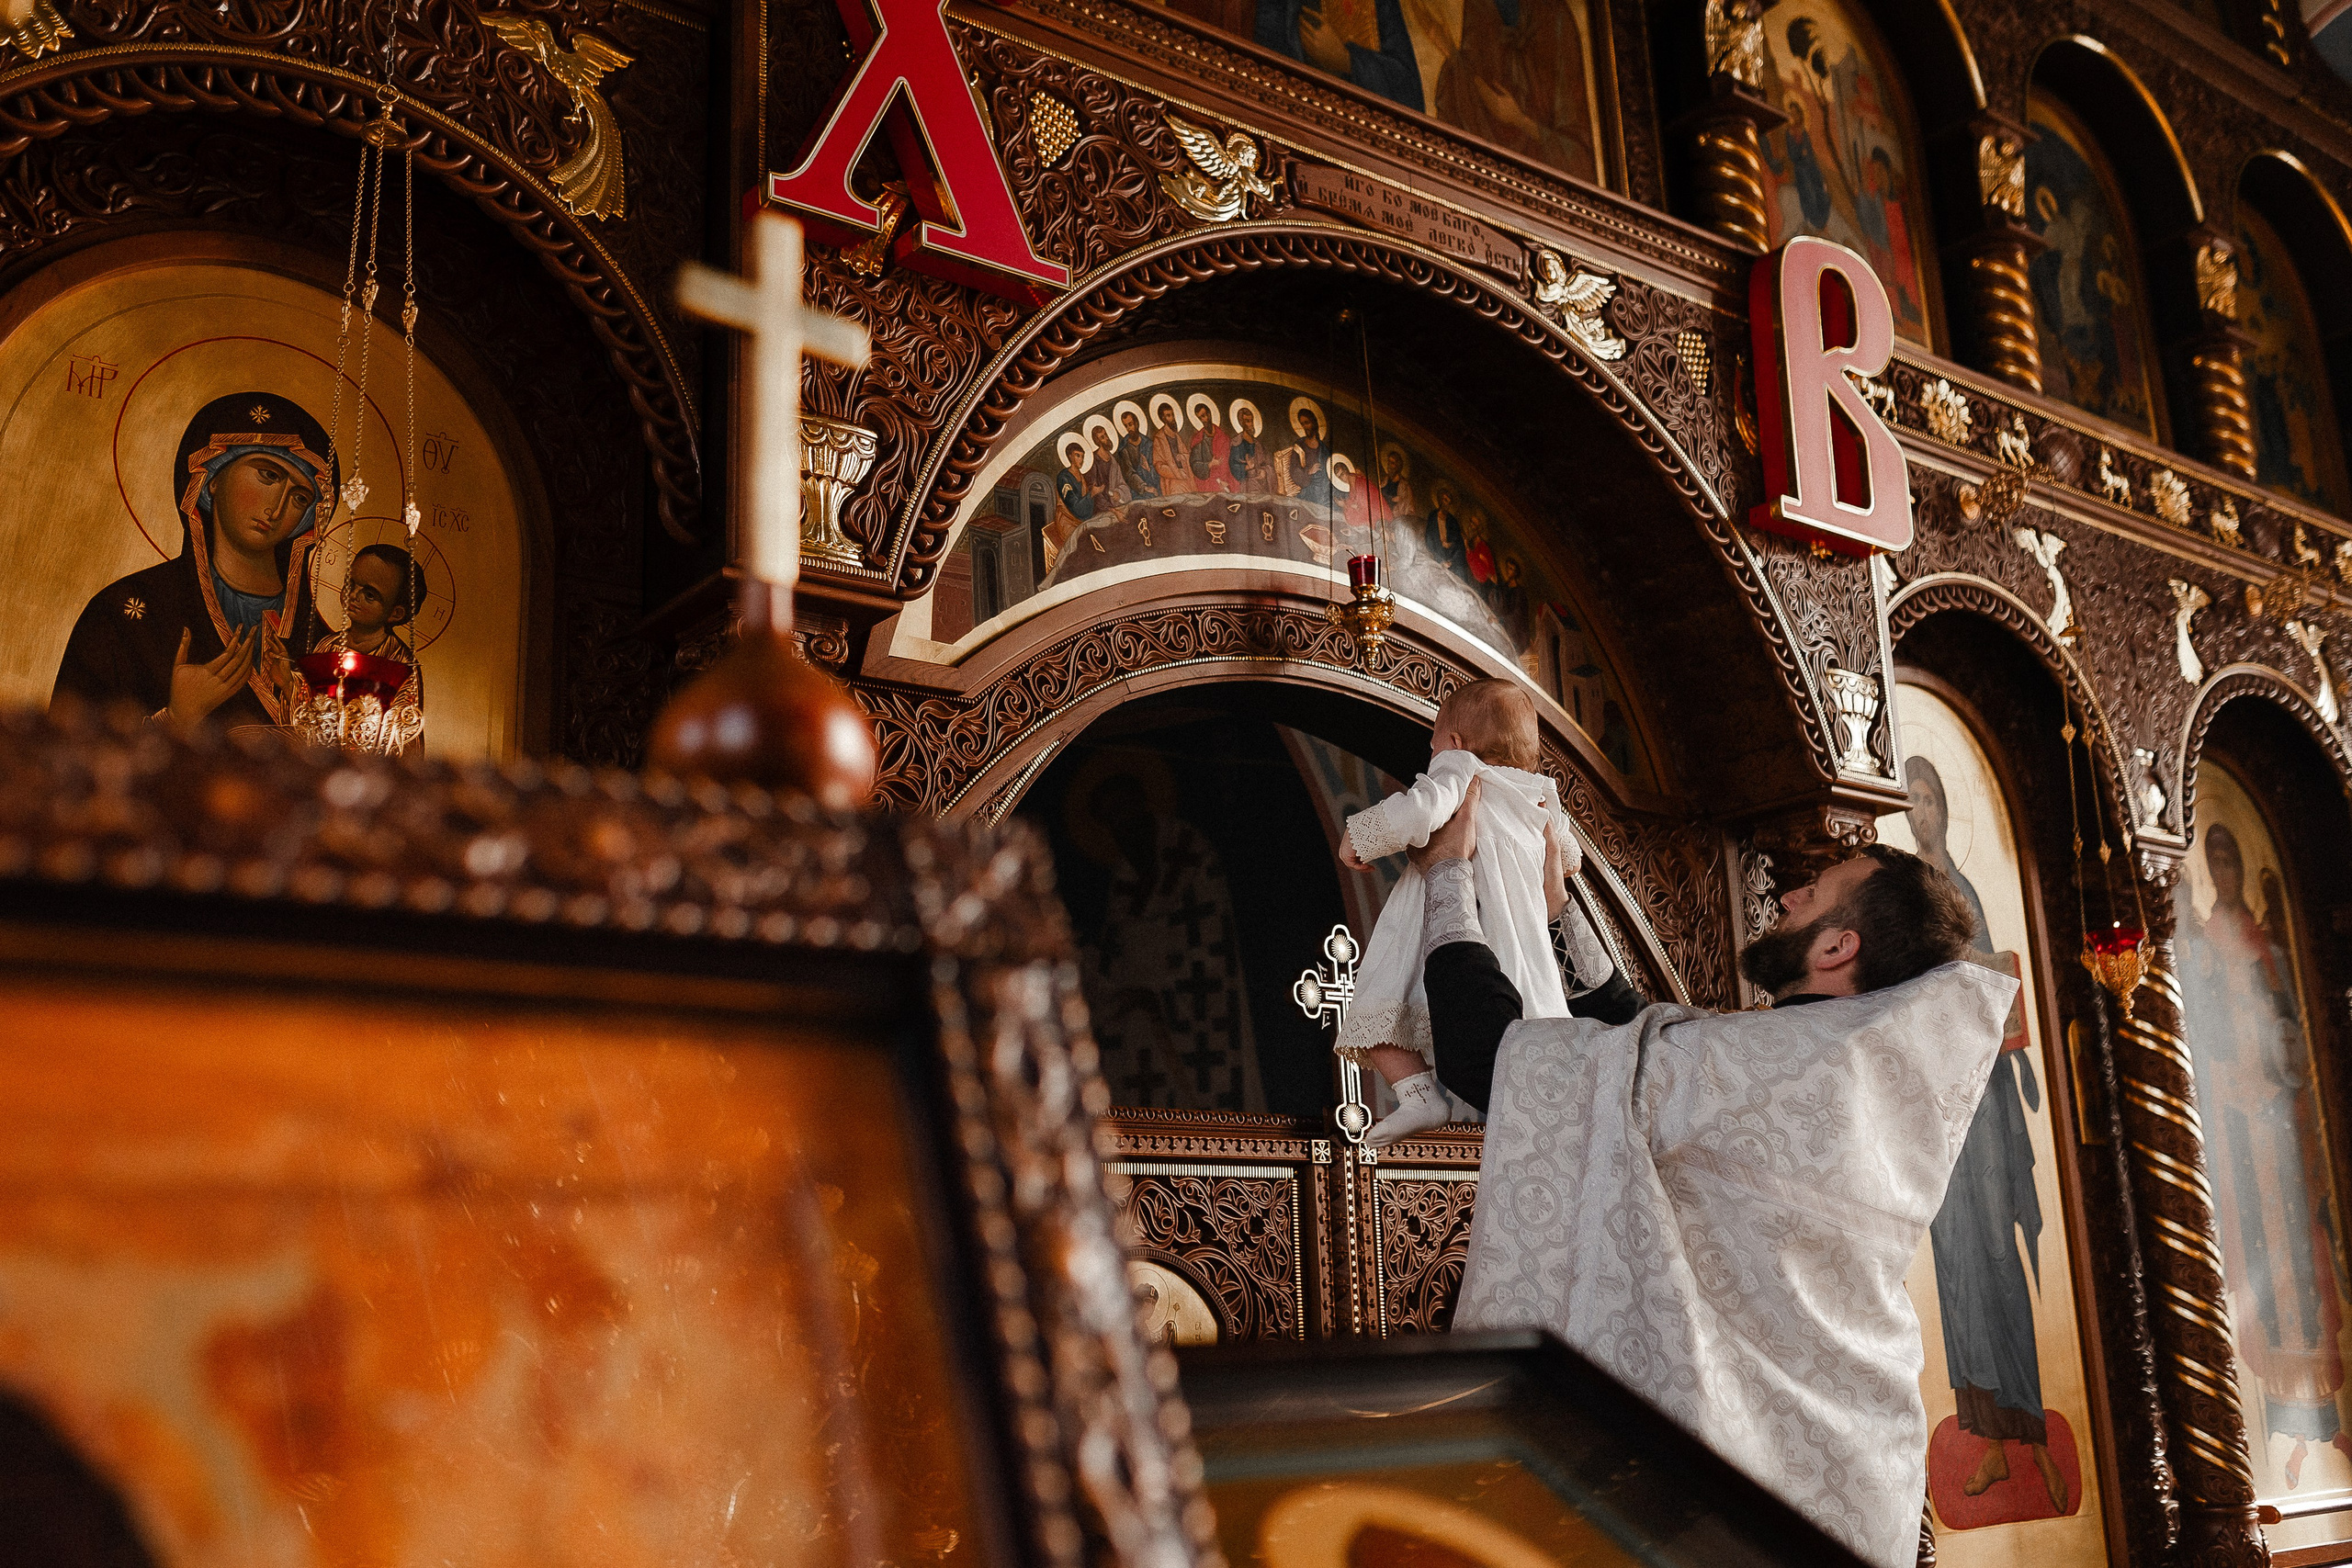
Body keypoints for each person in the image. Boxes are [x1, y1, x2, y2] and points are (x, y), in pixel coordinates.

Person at [1418, 790, 2013, 1568]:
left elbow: (1493, 1058)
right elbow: (1638, 1039)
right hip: (1861, 1489)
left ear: (1838, 947)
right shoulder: (1850, 1062)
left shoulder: (1776, 1066)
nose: (1791, 894)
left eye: (1815, 893)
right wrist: (1559, 906)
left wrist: (1444, 881)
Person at [1331, 679, 1614, 1146]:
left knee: (1378, 999)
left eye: (1435, 739)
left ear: (1457, 744)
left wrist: (1358, 839)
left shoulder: (1460, 769)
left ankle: (1419, 1095)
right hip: (1516, 939)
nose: (1431, 748)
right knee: (1524, 1029)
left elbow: (1418, 812)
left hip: (1443, 923)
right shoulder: (1539, 791)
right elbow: (1567, 858)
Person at [53, 391, 338, 734]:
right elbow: (64, 752)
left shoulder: (323, 645)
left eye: (300, 497)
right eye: (268, 476)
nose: (277, 508)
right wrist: (175, 718)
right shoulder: (127, 615)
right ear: (212, 478)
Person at [300, 543, 426, 755]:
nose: (353, 596)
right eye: (351, 585)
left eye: (369, 595)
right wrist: (286, 682)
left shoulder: (400, 663)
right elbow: (307, 705)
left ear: (395, 613)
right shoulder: (328, 646)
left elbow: (405, 726)